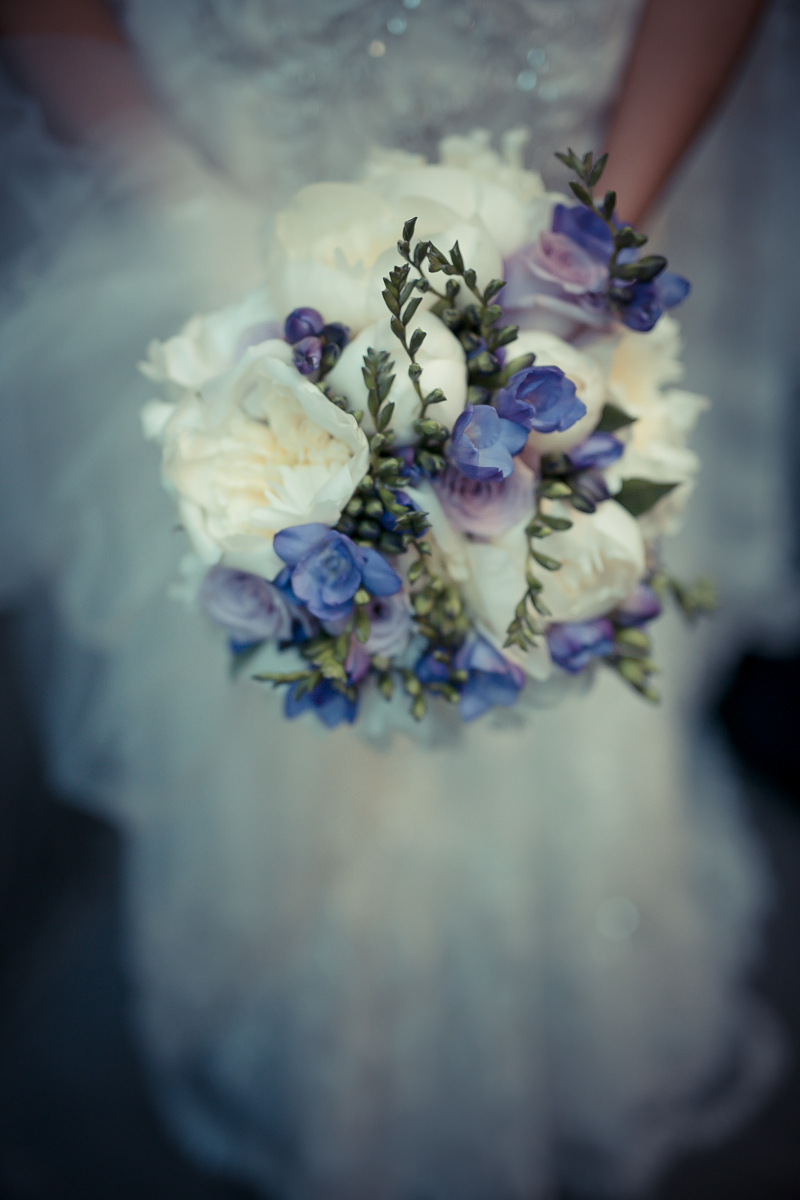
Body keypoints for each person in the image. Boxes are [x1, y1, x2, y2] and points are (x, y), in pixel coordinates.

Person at [0, 2, 793, 1197]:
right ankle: (332, 1061)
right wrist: (203, 238)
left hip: (564, 225)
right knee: (275, 750)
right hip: (223, 240)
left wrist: (585, 259)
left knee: (562, 714)